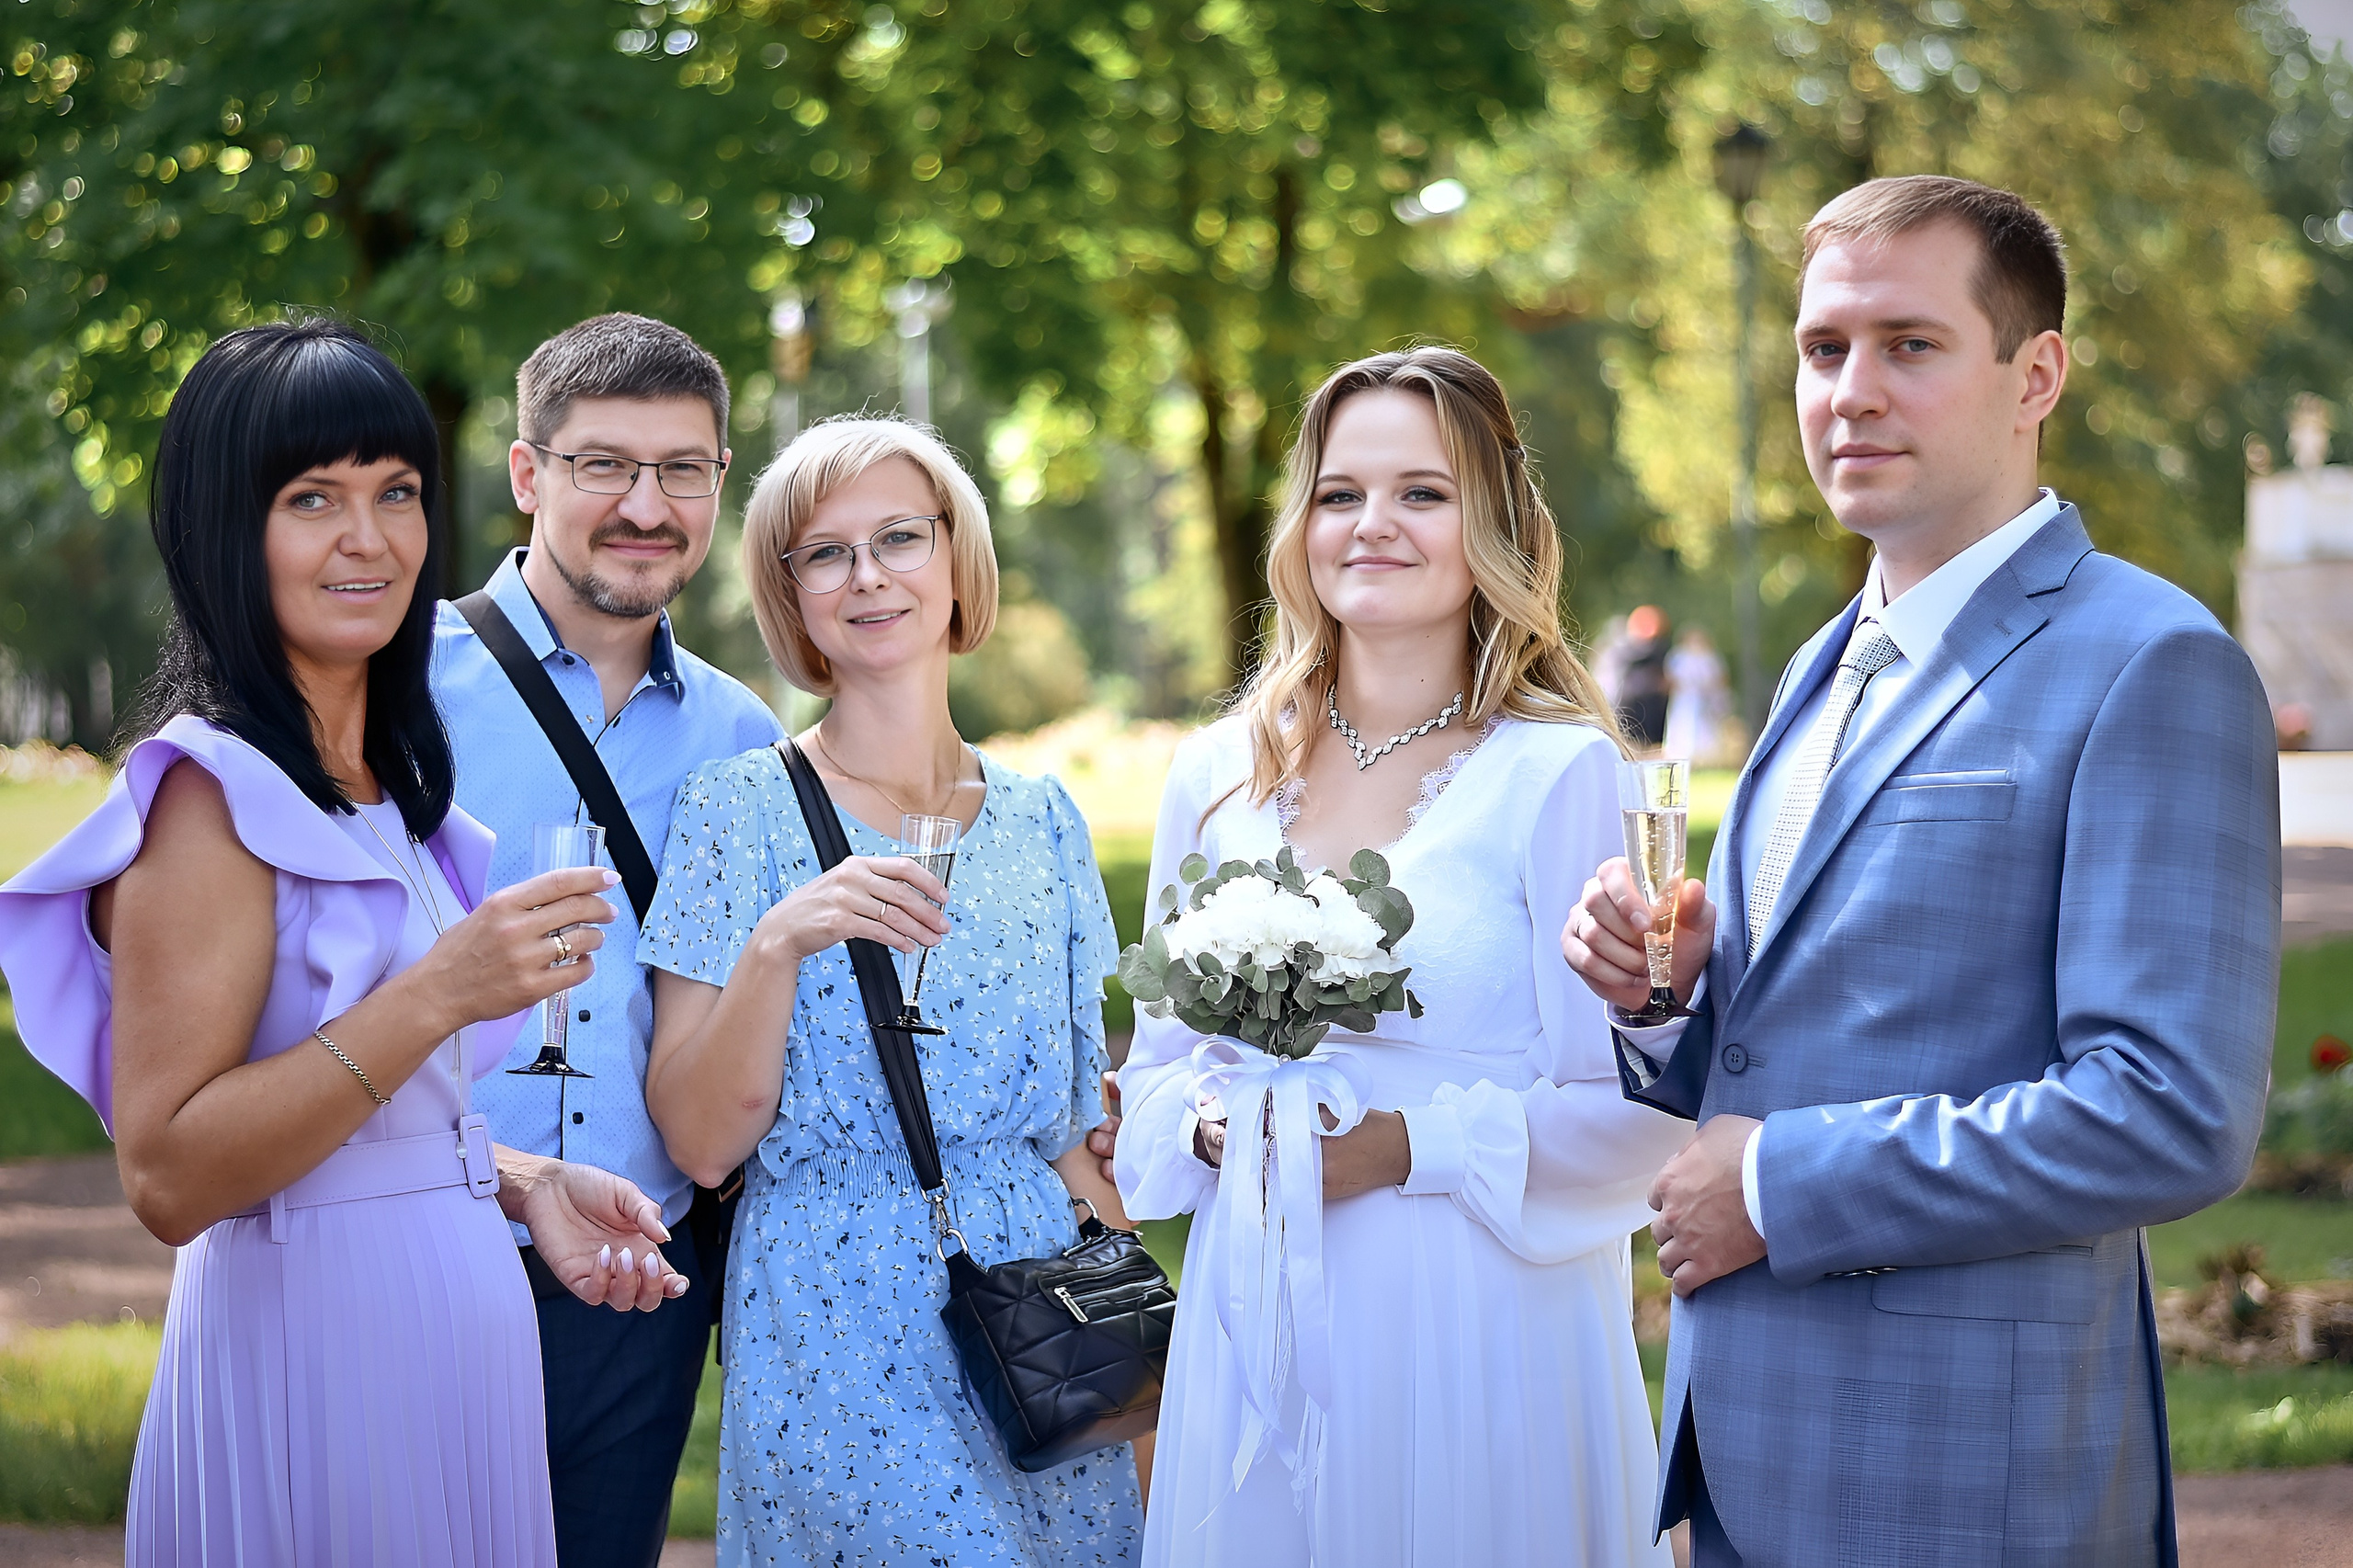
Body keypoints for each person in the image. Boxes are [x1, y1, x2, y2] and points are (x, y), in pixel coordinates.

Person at [1562, 176, 2279, 1565]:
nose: (1851, 391)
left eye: (1910, 344)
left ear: (2036, 374)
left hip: (1968, 1480)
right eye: (1824, 349)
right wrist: (1666, 996)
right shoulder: (1821, 666)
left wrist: (1777, 1183)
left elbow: (2170, 1110)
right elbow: (1770, 1054)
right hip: (1747, 1463)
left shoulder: (2151, 661)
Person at [0, 320, 687, 1565]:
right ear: (225, 527)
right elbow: (168, 1176)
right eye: (313, 497)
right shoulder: (208, 800)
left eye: (398, 493)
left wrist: (525, 1185)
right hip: (321, 1369)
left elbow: (367, 1124)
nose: (369, 538)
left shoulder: (380, 784)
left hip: (456, 1354)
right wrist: (439, 993)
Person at [1113, 347, 1690, 1566]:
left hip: (1479, 1319)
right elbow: (1160, 1068)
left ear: (1492, 525)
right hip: (1261, 1313)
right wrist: (1220, 1127)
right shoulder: (1214, 776)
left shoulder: (1559, 772)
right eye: (1340, 493)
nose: (1372, 523)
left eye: (1421, 493)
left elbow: (1635, 1115)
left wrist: (1401, 1147)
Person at [635, 415, 1144, 1566]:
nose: (868, 575)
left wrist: (1143, 1364)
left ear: (957, 561)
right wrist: (777, 944)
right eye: (825, 552)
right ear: (792, 593)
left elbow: (1070, 1134)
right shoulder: (735, 811)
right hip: (831, 1319)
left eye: (900, 538)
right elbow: (702, 1140)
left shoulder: (1045, 819)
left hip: (1038, 1320)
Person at [433, 312, 784, 1565]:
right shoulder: (397, 690)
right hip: (430, 1253)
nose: (648, 503)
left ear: (718, 485)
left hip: (642, 1287)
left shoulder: (746, 741)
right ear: (529, 476)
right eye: (605, 466)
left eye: (682, 469)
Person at [1662, 628, 1732, 767]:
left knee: (1704, 728)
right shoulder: (1678, 656)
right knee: (1682, 725)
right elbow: (1669, 678)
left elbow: (1720, 678)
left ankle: (1705, 756)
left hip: (1704, 700)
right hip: (1684, 700)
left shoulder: (1709, 657)